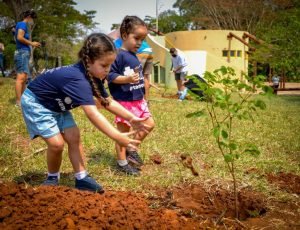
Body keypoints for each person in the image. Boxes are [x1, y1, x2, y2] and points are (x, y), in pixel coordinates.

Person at [21, 33, 149, 193]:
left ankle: (82, 178)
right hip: (37, 103)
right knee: (57, 144)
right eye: (104, 66)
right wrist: (117, 136)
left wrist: (131, 118)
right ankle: (52, 177)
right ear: (89, 61)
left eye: (110, 66)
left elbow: (107, 102)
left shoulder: (92, 75)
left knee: (74, 137)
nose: (107, 70)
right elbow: (93, 114)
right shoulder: (78, 80)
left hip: (57, 105)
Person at [107, 16, 155, 176]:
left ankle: (131, 148)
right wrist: (126, 79)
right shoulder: (117, 55)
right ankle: (122, 163)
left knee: (149, 124)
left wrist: (144, 97)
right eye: (137, 38)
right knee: (123, 133)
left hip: (138, 101)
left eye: (142, 39)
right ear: (125, 35)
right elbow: (110, 76)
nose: (140, 43)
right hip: (124, 102)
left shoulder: (134, 55)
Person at [14, 9, 41, 107]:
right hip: (21, 53)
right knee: (20, 78)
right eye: (32, 19)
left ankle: (23, 100)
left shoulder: (22, 25)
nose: (32, 21)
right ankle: (18, 102)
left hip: (24, 53)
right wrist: (32, 43)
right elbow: (19, 37)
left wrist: (32, 44)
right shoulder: (22, 24)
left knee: (24, 78)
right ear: (29, 17)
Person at [114, 38, 153, 102]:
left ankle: (135, 98)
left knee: (135, 74)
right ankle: (146, 100)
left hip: (141, 52)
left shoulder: (118, 41)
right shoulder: (133, 37)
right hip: (149, 51)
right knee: (144, 77)